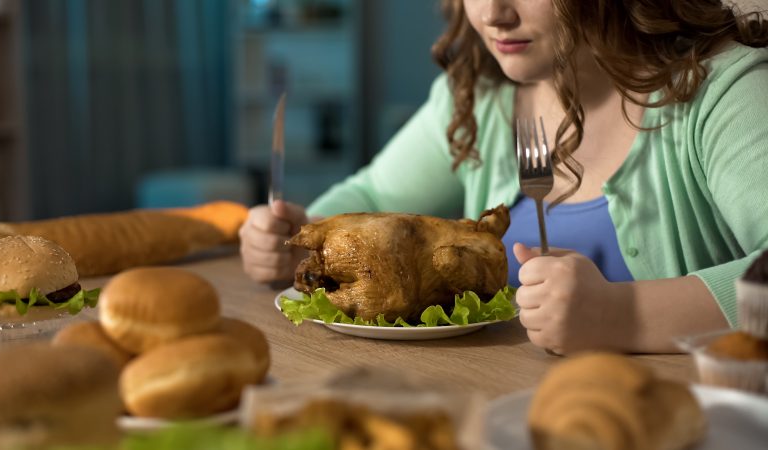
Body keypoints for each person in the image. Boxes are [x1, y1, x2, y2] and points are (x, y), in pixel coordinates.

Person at [239, 0, 768, 354]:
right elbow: (374, 196)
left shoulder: (719, 91)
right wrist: (300, 237)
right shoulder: (480, 98)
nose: (494, 14)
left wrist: (622, 315)